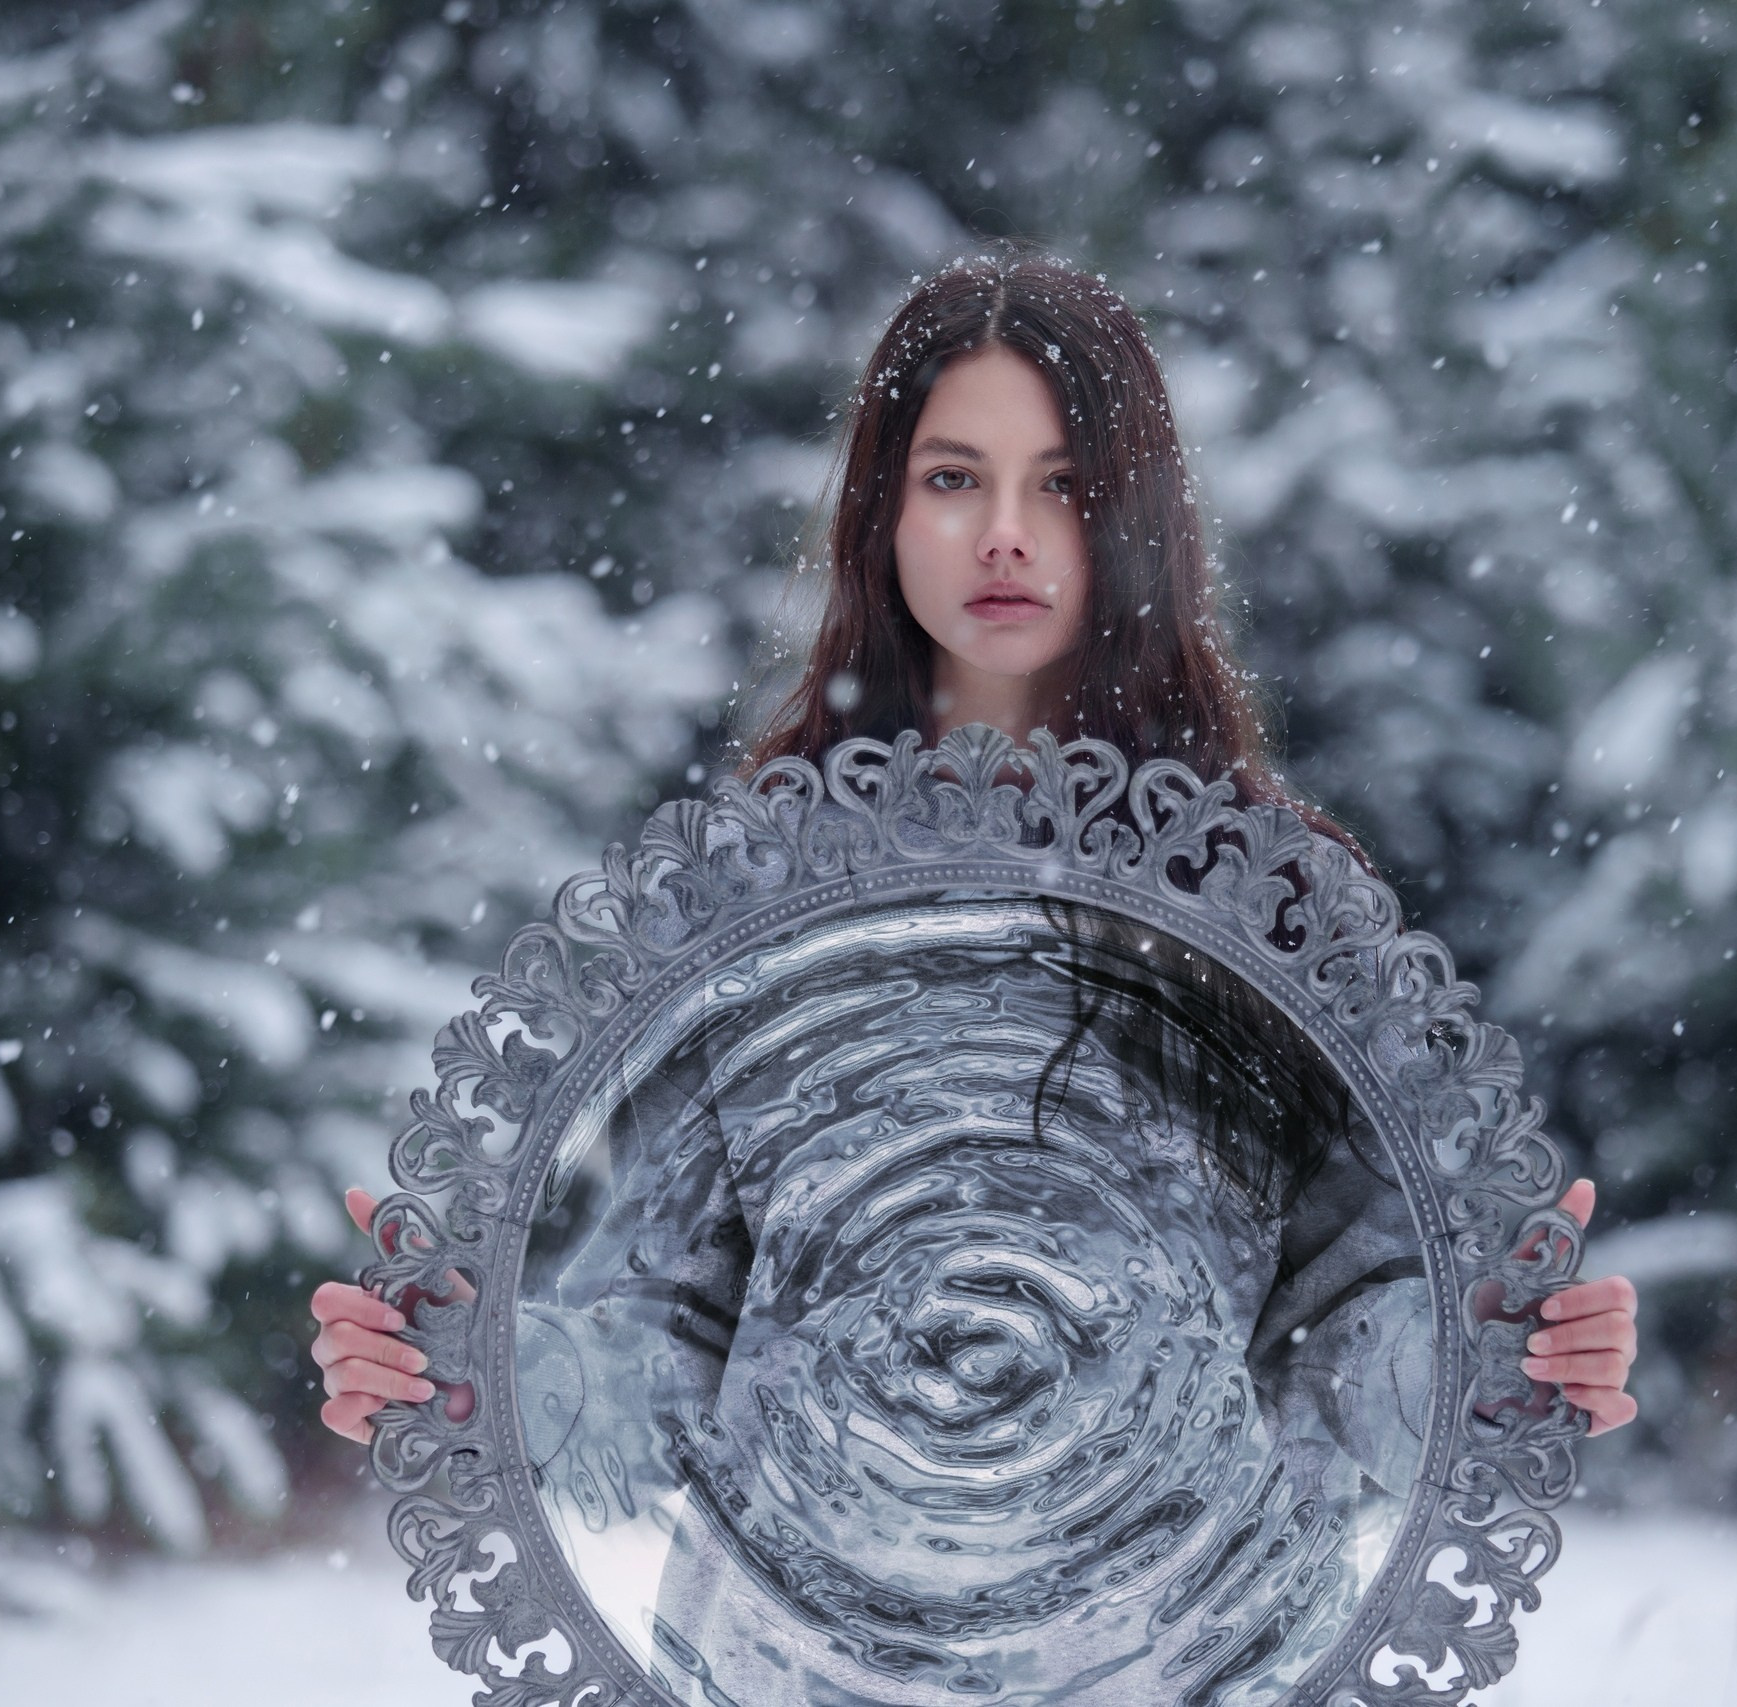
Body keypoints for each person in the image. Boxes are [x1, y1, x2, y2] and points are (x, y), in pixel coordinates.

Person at [307, 249, 1640, 1704]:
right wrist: (481, 1370)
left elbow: (1354, 1333)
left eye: (1061, 483)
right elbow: (659, 1337)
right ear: (881, 512)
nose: (1005, 535)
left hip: (1194, 1672)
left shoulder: (1260, 911)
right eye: (953, 479)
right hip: (793, 1675)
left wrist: (1496, 1356)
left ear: (1135, 516)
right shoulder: (762, 904)